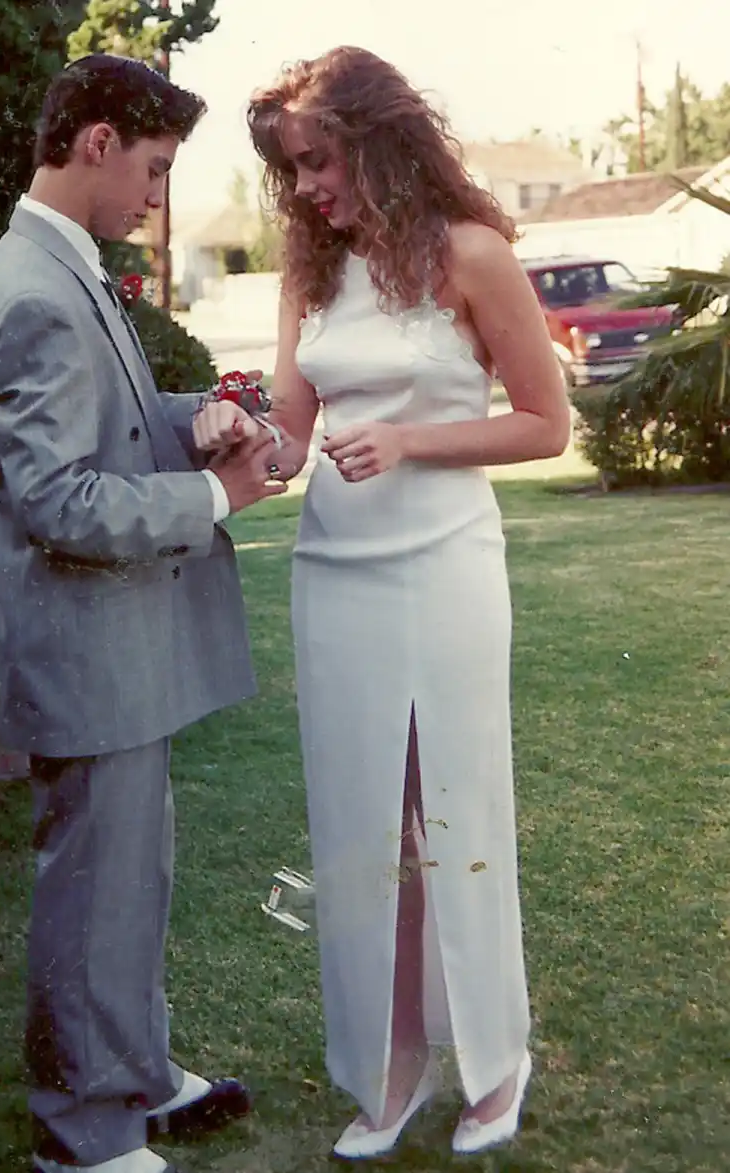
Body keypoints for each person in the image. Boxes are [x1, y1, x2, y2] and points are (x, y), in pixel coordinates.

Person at [196, 45, 571, 1161]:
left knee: (455, 810)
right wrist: (236, 434)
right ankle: (389, 1062)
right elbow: (295, 440)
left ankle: (497, 1060)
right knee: (362, 828)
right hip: (336, 580)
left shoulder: (473, 255)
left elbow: (546, 426)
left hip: (446, 567)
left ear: (379, 140)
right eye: (291, 169)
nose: (306, 187)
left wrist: (410, 439)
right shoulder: (311, 274)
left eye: (320, 161)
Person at [0, 54, 285, 1173]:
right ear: (96, 142)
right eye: (151, 168)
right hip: (86, 660)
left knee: (129, 886)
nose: (156, 195)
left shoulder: (66, 268)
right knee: (95, 899)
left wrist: (201, 422)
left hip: (115, 656)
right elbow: (57, 501)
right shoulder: (37, 291)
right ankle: (83, 1137)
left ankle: (135, 1075)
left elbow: (114, 425)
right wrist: (216, 494)